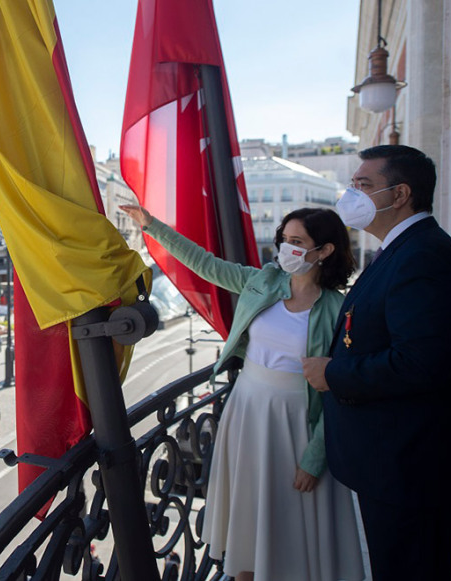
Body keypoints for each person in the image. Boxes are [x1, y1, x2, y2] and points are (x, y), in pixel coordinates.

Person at [122, 204, 363, 581]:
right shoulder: (263, 281)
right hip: (248, 410)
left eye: (297, 242)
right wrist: (153, 227)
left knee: (294, 521)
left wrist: (315, 458)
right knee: (249, 515)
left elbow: (339, 392)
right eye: (284, 239)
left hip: (298, 421)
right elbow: (206, 264)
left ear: (325, 251)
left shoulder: (338, 309)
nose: (286, 249)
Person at [302, 145, 451, 580]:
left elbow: (419, 362)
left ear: (400, 193)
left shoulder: (423, 256)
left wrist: (332, 373)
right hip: (398, 463)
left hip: (410, 467)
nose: (352, 195)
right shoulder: (402, 250)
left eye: (363, 185)